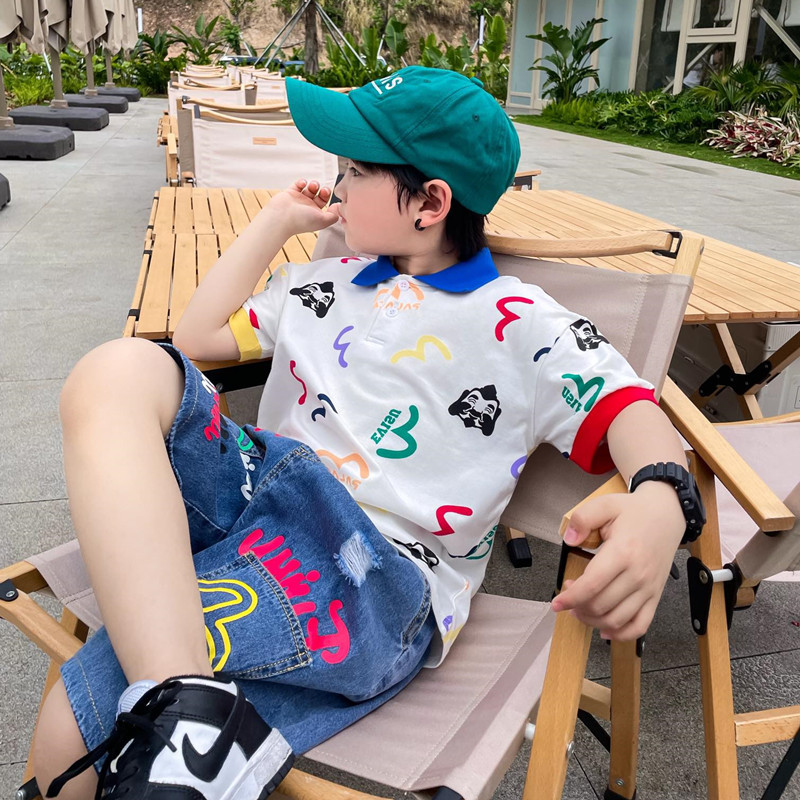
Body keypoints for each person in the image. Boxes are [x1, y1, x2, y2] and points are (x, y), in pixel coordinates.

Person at [35, 67, 698, 800]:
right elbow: (196, 339)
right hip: (261, 490)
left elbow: (632, 409)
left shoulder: (523, 323)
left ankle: (179, 714)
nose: (336, 185)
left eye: (353, 170)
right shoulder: (323, 285)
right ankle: (188, 714)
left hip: (368, 562)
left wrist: (663, 498)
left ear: (430, 203)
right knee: (118, 367)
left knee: (76, 720)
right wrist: (276, 222)